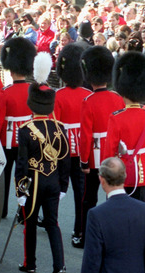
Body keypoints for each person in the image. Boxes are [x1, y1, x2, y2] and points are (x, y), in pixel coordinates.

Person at [16, 74, 70, 273]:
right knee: (52, 223)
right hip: (54, 181)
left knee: (30, 222)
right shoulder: (59, 127)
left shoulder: (25, 130)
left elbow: (22, 163)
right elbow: (65, 160)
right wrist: (64, 185)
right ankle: (59, 265)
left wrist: (20, 190)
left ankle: (30, 263)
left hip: (33, 183)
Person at [77, 46, 124, 247]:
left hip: (95, 158)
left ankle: (86, 237)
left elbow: (86, 135)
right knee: (112, 198)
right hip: (114, 156)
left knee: (89, 200)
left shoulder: (88, 101)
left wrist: (84, 161)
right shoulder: (117, 98)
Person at [103, 51, 145, 202]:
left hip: (119, 172)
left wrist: (105, 173)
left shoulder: (116, 117)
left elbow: (110, 149)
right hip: (142, 174)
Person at [0, 37, 37, 218]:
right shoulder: (32, 90)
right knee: (24, 176)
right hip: (28, 139)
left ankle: (0, 209)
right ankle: (23, 210)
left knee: (3, 176)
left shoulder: (6, 92)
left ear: (10, 70)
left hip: (7, 140)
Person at [54, 44, 91, 248]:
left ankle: (52, 222)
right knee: (81, 194)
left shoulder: (58, 95)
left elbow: (56, 127)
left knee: (57, 190)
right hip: (83, 150)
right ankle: (79, 229)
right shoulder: (87, 94)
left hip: (62, 150)